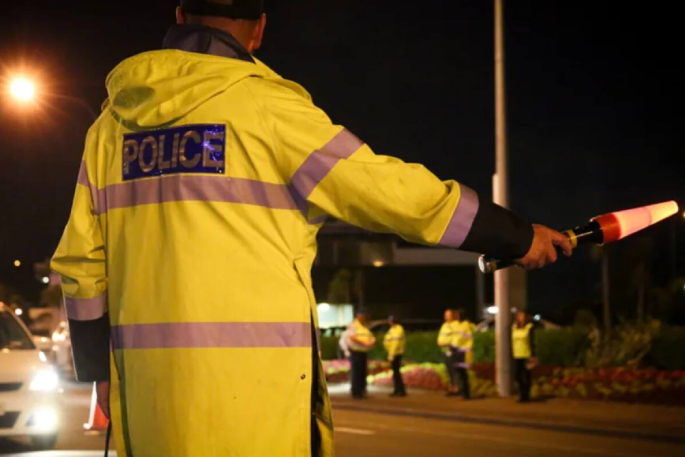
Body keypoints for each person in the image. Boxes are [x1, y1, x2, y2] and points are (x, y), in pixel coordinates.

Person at [50, 0, 573, 454]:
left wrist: (99, 373)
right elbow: (389, 191)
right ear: (259, 30)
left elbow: (80, 267)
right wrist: (514, 236)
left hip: (148, 405)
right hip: (256, 407)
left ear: (180, 16)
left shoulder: (108, 129)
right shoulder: (268, 109)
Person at [346, 313, 375, 398]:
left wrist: (372, 341)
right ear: (358, 316)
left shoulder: (364, 326)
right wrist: (364, 343)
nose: (363, 318)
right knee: (356, 372)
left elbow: (370, 336)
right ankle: (356, 391)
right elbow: (352, 337)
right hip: (356, 351)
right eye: (362, 316)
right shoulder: (353, 325)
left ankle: (362, 390)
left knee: (363, 372)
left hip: (363, 352)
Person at [512, 311, 537, 402]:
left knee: (527, 376)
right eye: (519, 316)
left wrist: (533, 355)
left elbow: (532, 341)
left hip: (527, 354)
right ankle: (522, 393)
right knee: (517, 375)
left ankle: (526, 396)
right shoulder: (514, 327)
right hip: (517, 355)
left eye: (523, 316)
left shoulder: (529, 327)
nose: (521, 318)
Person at [438, 309, 460, 396]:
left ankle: (456, 389)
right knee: (449, 370)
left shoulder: (456, 325)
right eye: (445, 315)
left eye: (448, 315)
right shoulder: (444, 325)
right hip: (445, 351)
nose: (446, 317)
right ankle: (451, 388)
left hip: (453, 351)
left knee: (454, 370)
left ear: (453, 316)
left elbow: (456, 338)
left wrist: (447, 344)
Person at [383, 315, 406, 397]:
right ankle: (398, 390)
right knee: (396, 373)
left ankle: (400, 390)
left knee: (396, 373)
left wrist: (391, 354)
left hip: (395, 354)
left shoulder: (397, 329)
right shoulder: (394, 329)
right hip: (393, 353)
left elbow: (395, 343)